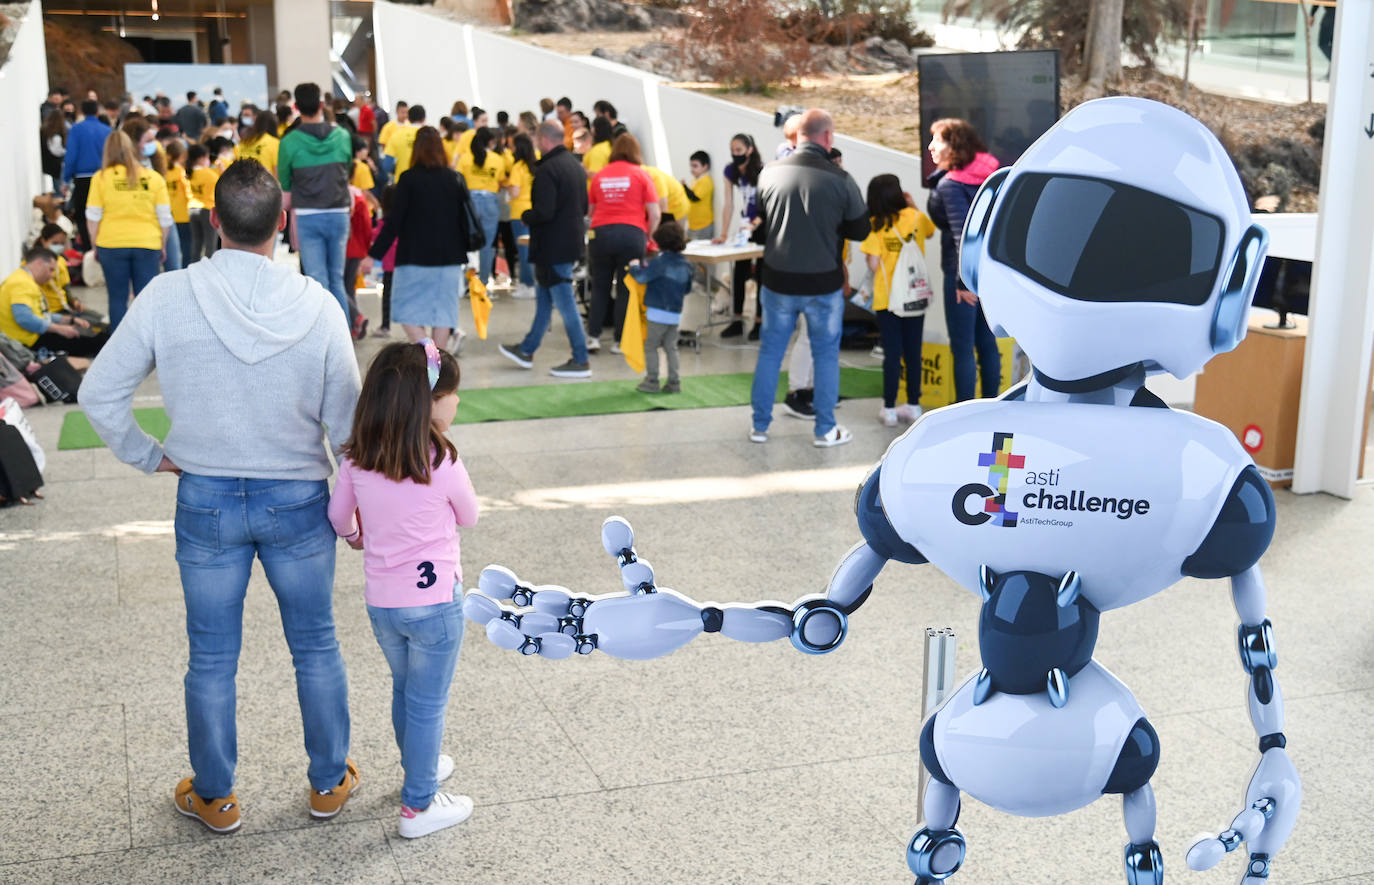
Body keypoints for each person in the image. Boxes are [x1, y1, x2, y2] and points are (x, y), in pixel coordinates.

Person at [80, 159, 362, 836]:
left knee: (210, 654)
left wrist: (151, 454)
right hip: (297, 498)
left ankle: (215, 794)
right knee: (316, 644)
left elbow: (98, 393)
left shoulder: (166, 296)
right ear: (283, 223)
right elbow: (350, 428)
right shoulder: (319, 305)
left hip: (203, 497)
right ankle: (328, 781)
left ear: (212, 221)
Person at [327, 340, 477, 838]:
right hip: (434, 605)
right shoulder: (442, 459)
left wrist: (356, 535)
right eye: (453, 392)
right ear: (429, 401)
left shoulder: (357, 458)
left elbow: (336, 516)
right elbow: (469, 516)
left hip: (384, 603)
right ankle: (419, 805)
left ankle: (421, 765)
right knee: (429, 701)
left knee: (406, 688)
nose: (456, 402)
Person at [749, 109, 868, 448]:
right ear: (827, 137)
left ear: (797, 135)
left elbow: (762, 221)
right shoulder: (840, 178)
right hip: (822, 283)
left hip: (777, 280)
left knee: (770, 352)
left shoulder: (768, 173)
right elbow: (860, 229)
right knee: (825, 355)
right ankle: (825, 430)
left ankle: (759, 426)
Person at [367, 126, 475, 352]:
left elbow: (393, 222)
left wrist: (373, 255)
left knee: (407, 313)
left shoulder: (408, 180)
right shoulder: (454, 179)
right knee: (443, 316)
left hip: (414, 258)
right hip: (450, 258)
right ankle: (438, 374)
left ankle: (430, 357)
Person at [498, 121, 591, 378]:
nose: (536, 143)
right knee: (544, 300)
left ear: (544, 140)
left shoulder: (548, 169)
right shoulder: (575, 166)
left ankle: (581, 359)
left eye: (537, 138)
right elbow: (583, 207)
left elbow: (544, 211)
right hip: (569, 242)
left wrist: (526, 215)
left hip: (553, 246)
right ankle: (527, 350)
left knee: (565, 302)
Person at [926, 117, 1001, 401]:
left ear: (954, 145)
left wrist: (963, 281)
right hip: (992, 272)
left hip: (964, 276)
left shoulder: (951, 185)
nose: (931, 146)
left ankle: (964, 413)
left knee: (963, 347)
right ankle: (994, 407)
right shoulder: (993, 173)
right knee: (988, 344)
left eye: (937, 140)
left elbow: (963, 235)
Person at [860, 173, 936, 426]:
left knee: (892, 355)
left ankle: (890, 409)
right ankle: (914, 404)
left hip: (888, 300)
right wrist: (913, 206)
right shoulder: (915, 217)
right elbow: (930, 232)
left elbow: (872, 265)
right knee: (914, 353)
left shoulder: (874, 225)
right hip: (915, 296)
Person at [279, 82, 355, 325]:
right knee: (337, 279)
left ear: (296, 107)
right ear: (322, 105)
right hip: (339, 212)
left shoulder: (289, 142)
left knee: (316, 281)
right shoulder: (343, 136)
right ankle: (342, 336)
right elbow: (348, 170)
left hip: (308, 215)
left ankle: (320, 336)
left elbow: (285, 183)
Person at [87, 130, 172, 330]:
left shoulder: (101, 178)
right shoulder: (153, 178)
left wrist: (95, 245)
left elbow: (93, 217)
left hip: (111, 243)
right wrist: (162, 245)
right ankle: (147, 349)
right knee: (145, 301)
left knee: (117, 299)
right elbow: (165, 218)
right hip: (147, 244)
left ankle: (119, 353)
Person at [587, 133, 661, 354]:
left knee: (599, 287)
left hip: (600, 234)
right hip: (632, 234)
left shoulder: (599, 176)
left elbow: (590, 213)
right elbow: (655, 213)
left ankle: (593, 337)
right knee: (625, 289)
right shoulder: (642, 175)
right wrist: (650, 236)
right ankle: (620, 341)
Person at [1, 246, 108, 358]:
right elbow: (24, 319)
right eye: (51, 269)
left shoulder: (21, 278)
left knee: (96, 334)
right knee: (98, 341)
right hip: (29, 343)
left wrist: (68, 320)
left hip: (33, 335)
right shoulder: (22, 284)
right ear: (39, 263)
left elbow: (39, 314)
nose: (51, 275)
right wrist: (59, 329)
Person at [628, 220, 692, 394]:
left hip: (657, 313)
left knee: (651, 346)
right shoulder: (686, 264)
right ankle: (674, 383)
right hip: (675, 313)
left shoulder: (658, 263)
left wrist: (634, 267)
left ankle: (652, 381)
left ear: (660, 243)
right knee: (671, 347)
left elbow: (641, 278)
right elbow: (687, 289)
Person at [713, 133, 763, 339]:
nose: (736, 155)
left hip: (761, 226)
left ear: (750, 150)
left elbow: (767, 205)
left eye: (739, 151)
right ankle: (737, 319)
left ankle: (759, 322)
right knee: (739, 272)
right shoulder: (731, 171)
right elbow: (729, 204)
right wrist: (724, 233)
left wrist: (754, 225)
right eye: (733, 151)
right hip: (745, 227)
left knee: (761, 274)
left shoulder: (763, 170)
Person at [61, 100, 112, 252]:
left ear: (82, 112)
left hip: (82, 178)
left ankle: (88, 248)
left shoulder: (76, 129)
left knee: (83, 216)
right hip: (104, 177)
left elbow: (71, 155)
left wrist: (65, 178)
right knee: (103, 213)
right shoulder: (107, 130)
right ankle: (104, 245)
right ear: (98, 112)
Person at [456, 127, 504, 285]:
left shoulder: (465, 158)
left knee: (465, 241)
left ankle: (466, 281)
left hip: (470, 202)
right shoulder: (498, 159)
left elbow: (458, 180)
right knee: (487, 244)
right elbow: (500, 180)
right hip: (490, 201)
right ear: (490, 142)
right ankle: (483, 282)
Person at [504, 132, 538, 298]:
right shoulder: (536, 164)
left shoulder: (518, 167)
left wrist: (508, 186)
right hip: (534, 210)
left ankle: (527, 284)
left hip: (519, 213)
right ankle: (530, 282)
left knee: (523, 251)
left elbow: (515, 192)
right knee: (531, 249)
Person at [186, 144, 220, 262]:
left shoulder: (188, 173)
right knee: (210, 243)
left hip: (192, 208)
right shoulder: (209, 174)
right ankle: (209, 270)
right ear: (201, 158)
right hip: (207, 209)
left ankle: (194, 266)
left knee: (196, 242)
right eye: (207, 157)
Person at [235, 110, 280, 176]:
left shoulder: (245, 141)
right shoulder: (274, 142)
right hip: (265, 182)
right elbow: (277, 171)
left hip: (243, 181)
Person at [386, 103, 425, 178]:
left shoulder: (396, 134)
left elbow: (387, 165)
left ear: (409, 118)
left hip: (402, 180)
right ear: (424, 118)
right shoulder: (430, 136)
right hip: (425, 182)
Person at [683, 150, 714, 240]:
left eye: (695, 166)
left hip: (703, 224)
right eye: (691, 166)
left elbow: (695, 197)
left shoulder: (706, 180)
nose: (692, 169)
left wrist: (684, 187)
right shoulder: (695, 180)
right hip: (693, 224)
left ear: (705, 167)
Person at [40, 109, 67, 191]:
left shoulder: (45, 129)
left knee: (57, 186)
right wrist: (66, 152)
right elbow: (56, 150)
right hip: (55, 164)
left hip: (48, 163)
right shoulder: (55, 134)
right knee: (59, 188)